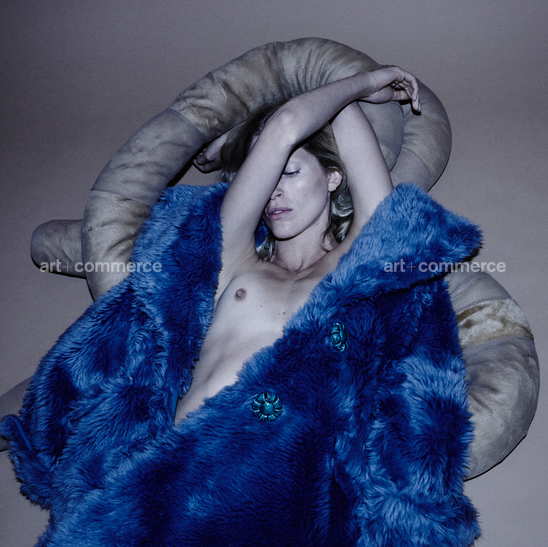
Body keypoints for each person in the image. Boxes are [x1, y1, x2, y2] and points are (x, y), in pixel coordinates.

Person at [2, 67, 481, 546]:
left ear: (334, 177)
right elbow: (284, 129)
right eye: (267, 176)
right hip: (167, 484)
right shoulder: (233, 260)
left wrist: (363, 84)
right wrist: (344, 92)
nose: (275, 191)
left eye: (291, 173)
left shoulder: (359, 267)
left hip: (274, 492)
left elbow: (300, 126)